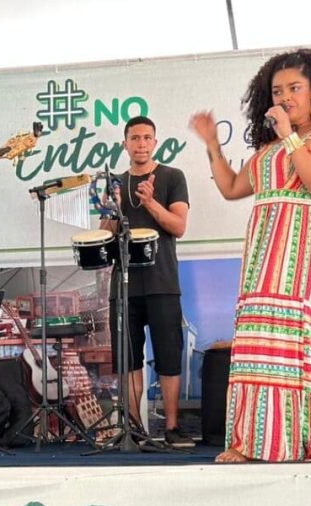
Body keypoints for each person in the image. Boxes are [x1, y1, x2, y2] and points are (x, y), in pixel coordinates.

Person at [190, 48, 311, 462]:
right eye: (278, 90)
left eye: (294, 88)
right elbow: (232, 188)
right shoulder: (269, 148)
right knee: (257, 338)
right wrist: (212, 144)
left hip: (299, 239)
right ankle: (252, 440)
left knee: (286, 336)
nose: (284, 97)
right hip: (264, 241)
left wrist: (290, 136)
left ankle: (296, 441)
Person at [99, 116, 192, 447]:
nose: (141, 144)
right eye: (135, 138)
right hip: (123, 284)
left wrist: (150, 202)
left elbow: (179, 226)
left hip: (162, 281)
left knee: (168, 357)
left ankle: (172, 427)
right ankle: (133, 428)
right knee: (128, 359)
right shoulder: (115, 183)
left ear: (155, 142)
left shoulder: (172, 176)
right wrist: (114, 209)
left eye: (146, 138)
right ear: (125, 144)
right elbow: (104, 235)